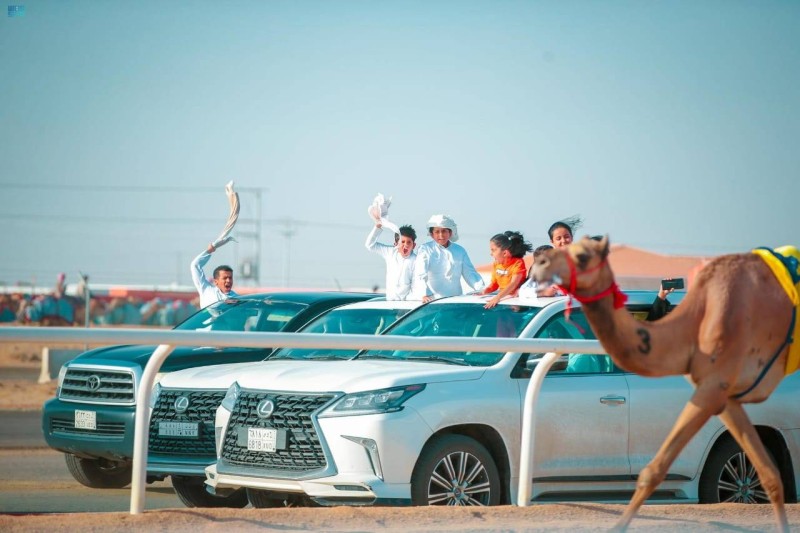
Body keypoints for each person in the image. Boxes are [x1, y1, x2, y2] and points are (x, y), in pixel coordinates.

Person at [413, 214, 485, 303]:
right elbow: (420, 274)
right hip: (432, 301)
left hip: (456, 300)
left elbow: (470, 273)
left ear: (450, 233)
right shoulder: (425, 249)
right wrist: (423, 294)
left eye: (444, 231)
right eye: (437, 232)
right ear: (432, 234)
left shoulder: (460, 250)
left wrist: (482, 289)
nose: (441, 235)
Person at [365, 222, 417, 300]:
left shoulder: (417, 260)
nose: (405, 245)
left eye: (409, 242)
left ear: (414, 245)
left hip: (408, 304)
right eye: (402, 242)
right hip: (390, 302)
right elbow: (370, 245)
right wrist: (378, 226)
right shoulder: (390, 252)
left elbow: (418, 283)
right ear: (396, 244)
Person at [482, 231, 533, 308]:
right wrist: (485, 291)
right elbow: (494, 284)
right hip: (504, 300)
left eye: (493, 250)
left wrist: (497, 298)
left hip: (517, 302)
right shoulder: (496, 264)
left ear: (505, 253)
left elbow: (513, 284)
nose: (491, 253)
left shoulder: (518, 263)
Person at [190, 242, 237, 308]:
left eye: (230, 278)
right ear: (216, 281)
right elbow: (195, 265)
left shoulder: (236, 299)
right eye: (225, 278)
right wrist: (209, 250)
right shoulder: (206, 290)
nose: (228, 280)